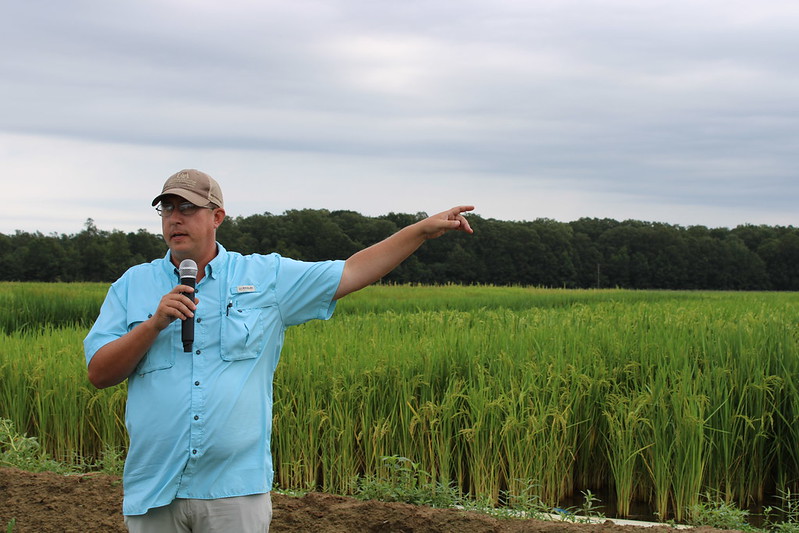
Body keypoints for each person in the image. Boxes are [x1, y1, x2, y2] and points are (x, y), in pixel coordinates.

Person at [83, 168, 474, 532]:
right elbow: (100, 374)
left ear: (217, 217)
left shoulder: (264, 277)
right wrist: (154, 325)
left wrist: (419, 231)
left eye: (188, 208)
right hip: (155, 489)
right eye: (167, 209)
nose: (175, 218)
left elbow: (352, 271)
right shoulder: (132, 285)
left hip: (233, 491)